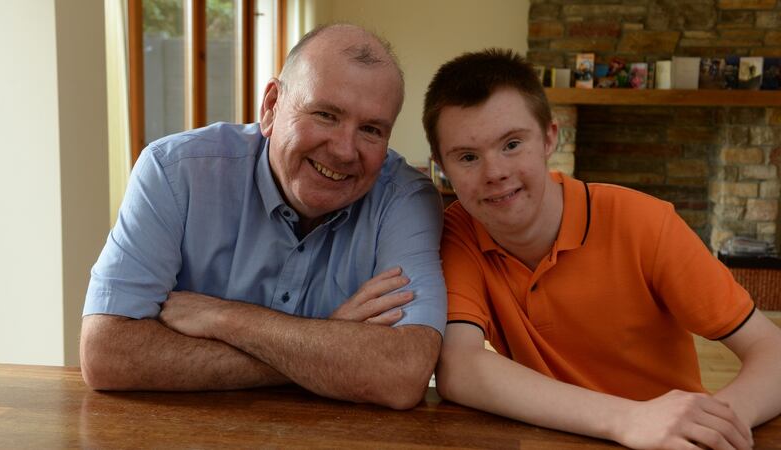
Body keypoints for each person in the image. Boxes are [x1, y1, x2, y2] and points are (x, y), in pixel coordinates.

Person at [423, 49, 781, 449]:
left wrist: (714, 426)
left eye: (512, 144)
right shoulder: (458, 232)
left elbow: (772, 349)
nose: (495, 173)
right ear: (442, 166)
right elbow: (459, 366)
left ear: (549, 138)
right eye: (468, 157)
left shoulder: (645, 222)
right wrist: (629, 420)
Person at [80, 24, 446, 410]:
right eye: (325, 114)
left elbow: (402, 373)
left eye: (371, 130)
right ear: (271, 106)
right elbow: (108, 354)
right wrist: (328, 343)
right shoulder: (174, 172)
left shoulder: (406, 199)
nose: (343, 150)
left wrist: (226, 318)